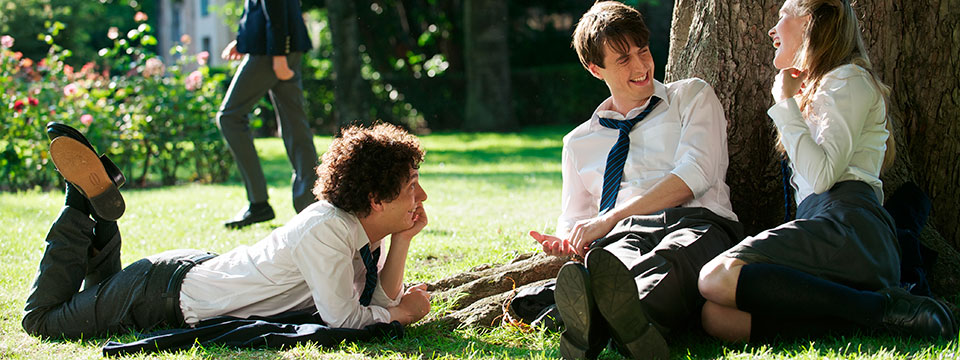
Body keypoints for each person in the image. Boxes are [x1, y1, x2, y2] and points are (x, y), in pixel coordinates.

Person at [23, 122, 432, 339]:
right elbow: (344, 319)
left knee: (100, 293)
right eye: (411, 183)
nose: (422, 195)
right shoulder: (327, 229)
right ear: (376, 197)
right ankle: (80, 203)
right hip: (159, 293)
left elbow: (371, 299)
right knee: (42, 321)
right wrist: (401, 313)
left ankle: (101, 209)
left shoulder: (361, 229)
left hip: (181, 279)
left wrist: (401, 242)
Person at [696, 0, 955, 343]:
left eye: (783, 16)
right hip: (823, 228)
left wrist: (784, 105)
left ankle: (882, 309)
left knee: (714, 277)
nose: (773, 30)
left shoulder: (847, 79)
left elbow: (823, 178)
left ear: (811, 24)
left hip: (849, 226)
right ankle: (874, 316)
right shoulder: (820, 89)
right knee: (717, 317)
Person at [528, 2, 743, 359]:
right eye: (623, 59)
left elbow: (696, 174)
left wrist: (609, 218)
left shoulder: (690, 96)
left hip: (697, 223)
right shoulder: (578, 143)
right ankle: (624, 324)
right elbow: (575, 220)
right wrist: (568, 241)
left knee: (671, 258)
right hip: (621, 239)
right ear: (595, 69)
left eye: (642, 51)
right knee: (614, 265)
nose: (641, 66)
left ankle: (595, 320)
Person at [217, 0, 319, 228]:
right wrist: (246, 39)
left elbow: (275, 6)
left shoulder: (276, 51)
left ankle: (259, 203)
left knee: (230, 117)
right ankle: (312, 206)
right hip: (279, 46)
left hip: (272, 52)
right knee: (295, 125)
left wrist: (278, 53)